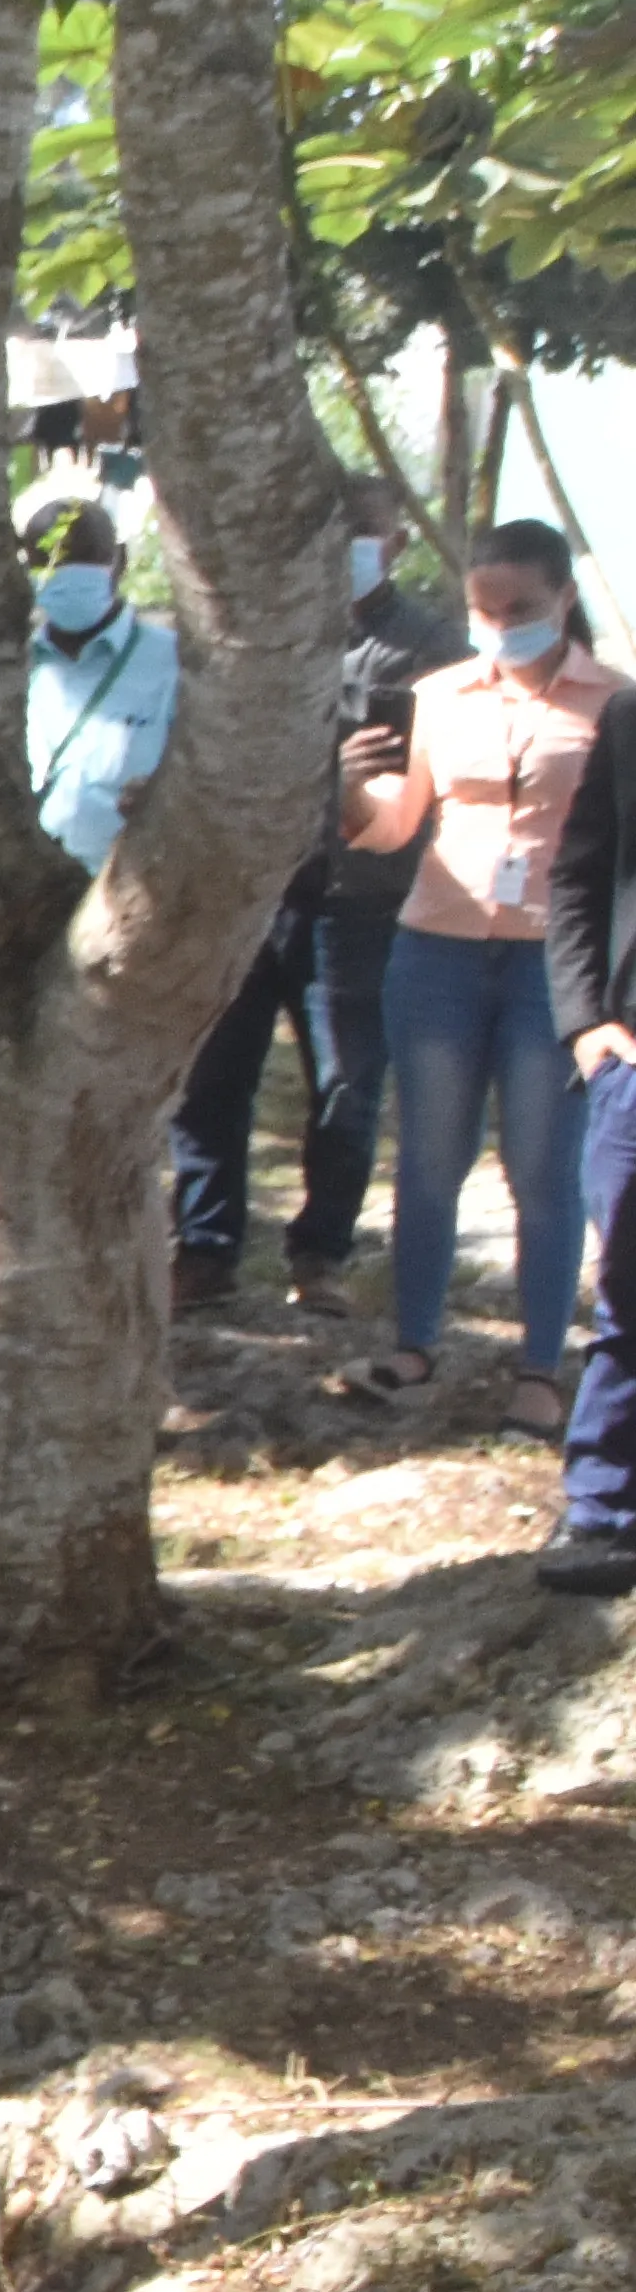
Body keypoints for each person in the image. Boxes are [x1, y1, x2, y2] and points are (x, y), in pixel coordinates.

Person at [343, 521, 619, 1434]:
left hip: (557, 961)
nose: (503, 625)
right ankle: (412, 1345)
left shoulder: (616, 703)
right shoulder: (441, 694)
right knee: (428, 1158)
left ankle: (541, 1366)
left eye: (523, 609)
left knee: (544, 1168)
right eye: (484, 609)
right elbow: (394, 825)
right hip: (437, 949)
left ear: (565, 599)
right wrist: (348, 792)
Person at [178, 476, 450, 1311]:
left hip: (360, 898)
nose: (347, 548)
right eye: (333, 531)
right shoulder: (265, 635)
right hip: (253, 888)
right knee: (213, 1074)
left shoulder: (432, 649)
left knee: (346, 1082)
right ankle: (204, 1246)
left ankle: (321, 1251)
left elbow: (435, 777)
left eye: (364, 532)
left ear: (398, 541)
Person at [525, 609, 636, 1592]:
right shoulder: (630, 722)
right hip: (631, 1065)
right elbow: (577, 879)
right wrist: (585, 1023)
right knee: (630, 1294)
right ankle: (603, 1510)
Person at [19, 489, 181, 877]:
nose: (65, 572)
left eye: (83, 558)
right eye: (49, 560)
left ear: (119, 560)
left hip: (132, 894)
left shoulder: (173, 663)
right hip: (24, 900)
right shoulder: (10, 670)